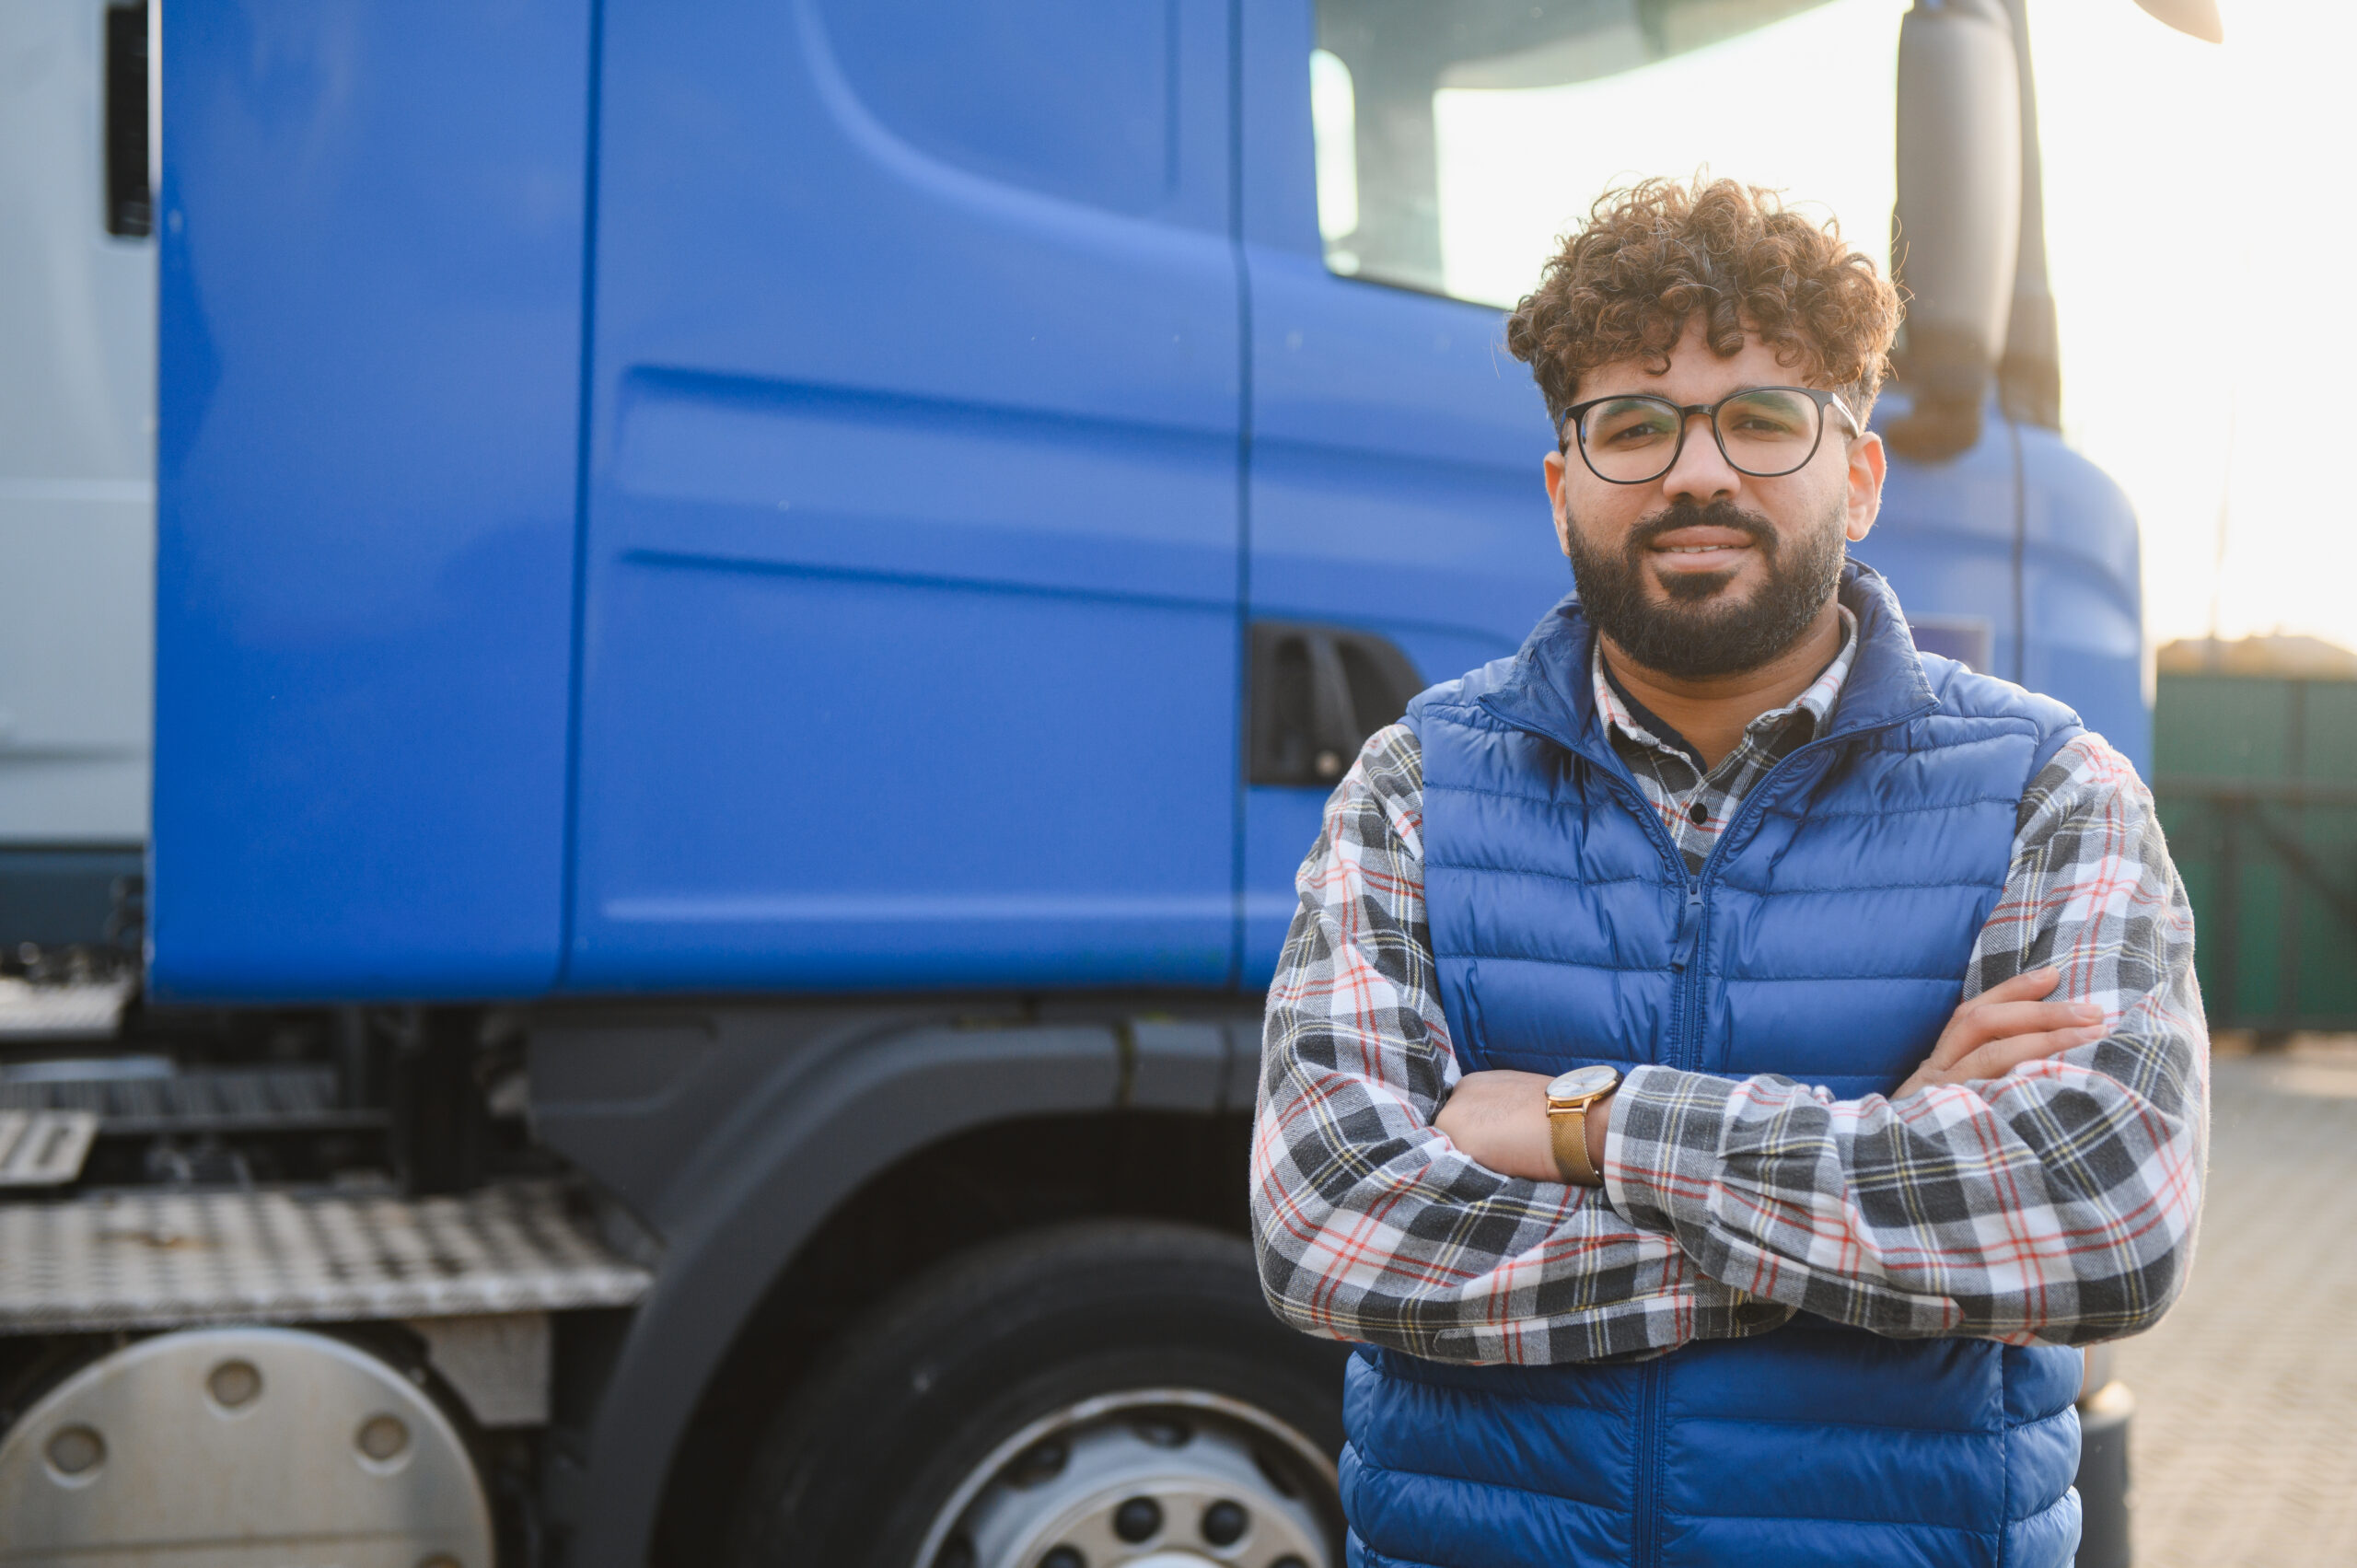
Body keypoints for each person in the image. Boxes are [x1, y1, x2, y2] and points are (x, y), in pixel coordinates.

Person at [1248, 178, 2205, 1568]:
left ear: (1859, 474)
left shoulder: (2049, 792)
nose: (1699, 469)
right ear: (1562, 484)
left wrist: (1591, 1124)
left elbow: (2097, 1221)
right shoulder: (1414, 785)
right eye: (1633, 424)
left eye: (1763, 417)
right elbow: (1330, 1232)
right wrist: (1885, 1173)